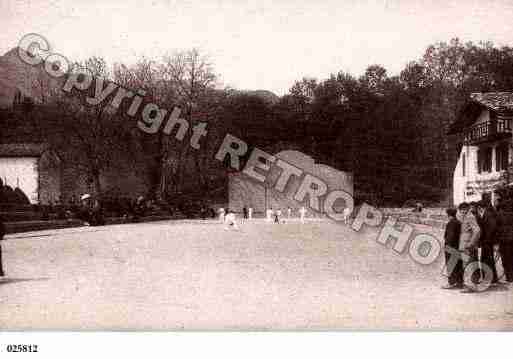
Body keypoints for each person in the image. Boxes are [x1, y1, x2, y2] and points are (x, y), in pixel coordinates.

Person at [458, 202, 482, 293]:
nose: (463, 212)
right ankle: (472, 284)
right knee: (470, 264)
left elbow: (477, 230)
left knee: (468, 265)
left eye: (465, 210)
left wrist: (471, 243)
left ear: (468, 209)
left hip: (467, 245)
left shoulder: (470, 217)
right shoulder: (466, 217)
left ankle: (470, 286)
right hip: (466, 245)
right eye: (461, 210)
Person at [477, 200, 499, 284]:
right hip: (486, 241)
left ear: (481, 207)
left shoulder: (488, 215)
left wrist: (488, 239)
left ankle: (492, 279)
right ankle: (491, 278)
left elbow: (492, 228)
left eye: (479, 208)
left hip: (488, 242)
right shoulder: (485, 214)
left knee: (488, 260)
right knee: (486, 260)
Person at [441, 208, 463, 289]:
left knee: (450, 264)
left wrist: (447, 245)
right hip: (458, 246)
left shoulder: (451, 223)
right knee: (458, 265)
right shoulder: (459, 222)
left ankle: (452, 282)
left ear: (448, 215)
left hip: (451, 246)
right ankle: (459, 282)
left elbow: (450, 236)